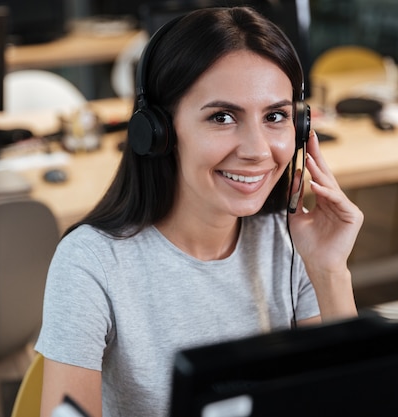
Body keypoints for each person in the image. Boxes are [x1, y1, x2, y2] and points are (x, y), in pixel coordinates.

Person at [36, 6, 363, 417]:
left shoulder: (290, 240)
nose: (258, 150)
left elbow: (349, 402)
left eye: (276, 116)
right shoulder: (92, 263)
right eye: (223, 117)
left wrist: (330, 270)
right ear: (159, 131)